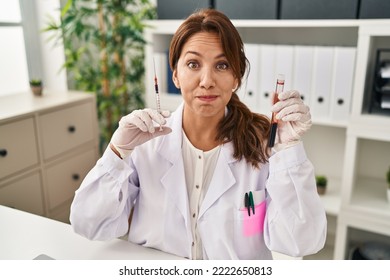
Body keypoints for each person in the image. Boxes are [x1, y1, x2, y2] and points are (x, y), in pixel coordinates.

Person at [70, 8, 327, 260]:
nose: (207, 80)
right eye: (193, 64)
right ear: (176, 75)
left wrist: (289, 150)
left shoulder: (263, 145)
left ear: (236, 78)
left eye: (222, 65)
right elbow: (88, 224)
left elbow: (301, 241)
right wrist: (117, 152)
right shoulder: (146, 144)